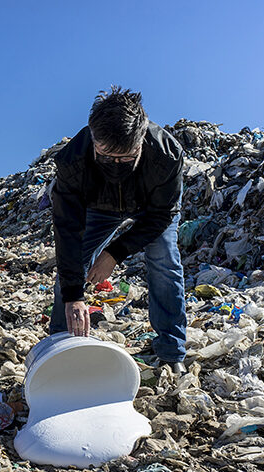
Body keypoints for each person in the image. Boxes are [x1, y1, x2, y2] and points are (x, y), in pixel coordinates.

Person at [50, 87, 187, 372]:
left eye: (125, 158)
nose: (115, 165)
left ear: (141, 141)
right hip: (98, 207)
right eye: (105, 156)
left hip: (150, 208)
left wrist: (114, 253)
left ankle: (172, 353)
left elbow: (162, 215)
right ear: (93, 138)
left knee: (164, 260)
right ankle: (61, 348)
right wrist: (75, 295)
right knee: (69, 273)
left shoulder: (167, 155)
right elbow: (67, 230)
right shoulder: (72, 161)